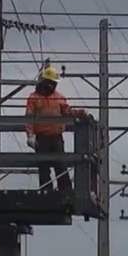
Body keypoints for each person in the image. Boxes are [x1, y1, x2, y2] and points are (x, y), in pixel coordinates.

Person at [24, 62, 86, 192]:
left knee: (61, 165)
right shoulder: (34, 98)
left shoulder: (59, 98)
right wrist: (30, 135)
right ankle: (46, 190)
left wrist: (79, 113)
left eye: (54, 83)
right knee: (44, 167)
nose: (53, 85)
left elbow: (67, 111)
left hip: (56, 137)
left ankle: (65, 189)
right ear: (45, 81)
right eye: (51, 82)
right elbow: (29, 118)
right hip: (42, 138)